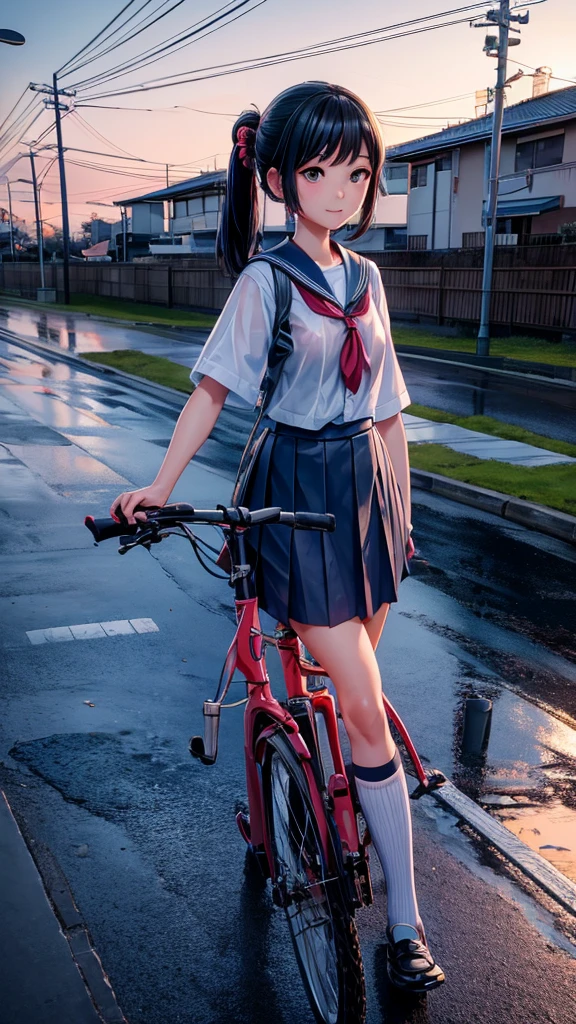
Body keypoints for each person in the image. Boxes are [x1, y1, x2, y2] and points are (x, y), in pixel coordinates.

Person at [111, 80, 445, 994]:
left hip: (366, 492)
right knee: (367, 705)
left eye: (358, 172)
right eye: (318, 171)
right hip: (292, 483)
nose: (341, 191)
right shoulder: (266, 281)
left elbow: (388, 412)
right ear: (278, 179)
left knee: (339, 698)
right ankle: (408, 927)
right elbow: (213, 390)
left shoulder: (368, 279)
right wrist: (161, 485)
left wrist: (401, 518)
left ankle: (323, 791)